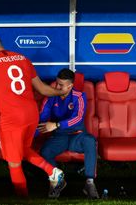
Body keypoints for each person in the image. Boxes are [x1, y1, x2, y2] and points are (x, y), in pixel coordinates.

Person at [0, 34, 67, 197]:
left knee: (14, 162)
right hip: (31, 114)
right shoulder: (23, 59)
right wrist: (61, 92)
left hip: (11, 118)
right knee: (22, 150)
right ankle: (53, 173)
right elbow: (43, 89)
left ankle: (22, 198)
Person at [37, 68, 99, 199]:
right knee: (45, 152)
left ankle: (89, 183)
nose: (57, 86)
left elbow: (78, 118)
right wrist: (28, 136)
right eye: (56, 83)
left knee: (90, 141)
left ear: (70, 86)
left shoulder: (79, 96)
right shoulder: (51, 96)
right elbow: (42, 119)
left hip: (77, 135)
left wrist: (57, 124)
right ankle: (58, 180)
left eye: (61, 85)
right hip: (59, 136)